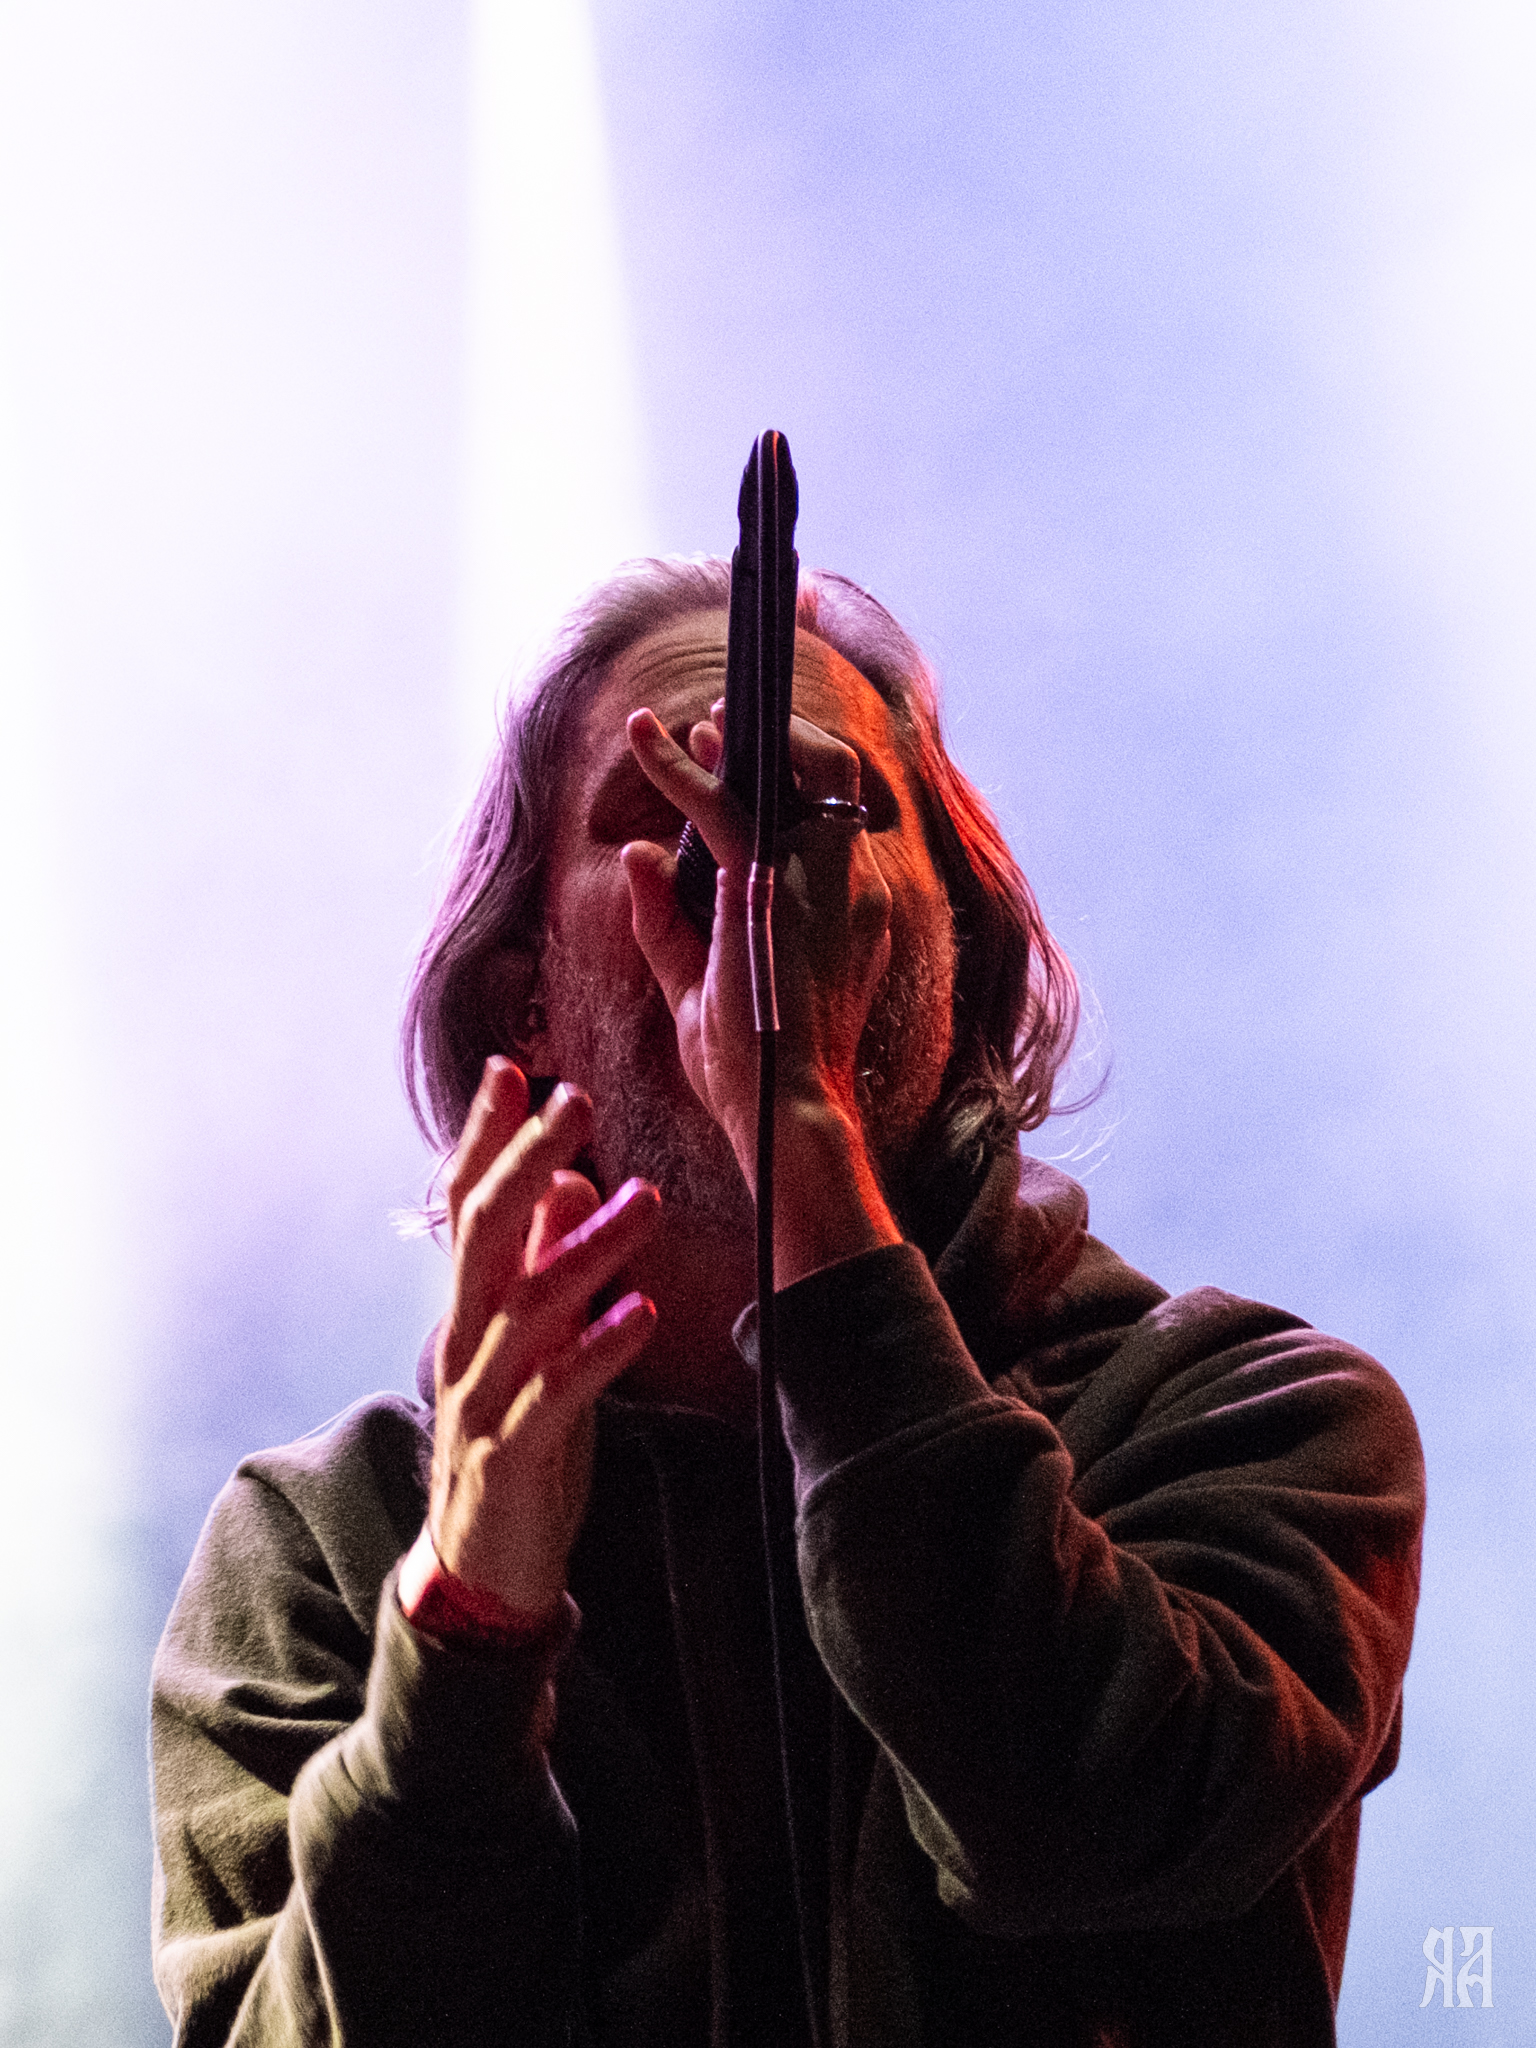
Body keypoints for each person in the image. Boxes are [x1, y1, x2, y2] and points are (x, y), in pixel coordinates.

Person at [150, 556, 1424, 2047]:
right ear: (523, 999)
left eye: (825, 808)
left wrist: (802, 1135)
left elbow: (1079, 1824)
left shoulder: (1253, 1414)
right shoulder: (326, 1539)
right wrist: (468, 1634)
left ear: (954, 948)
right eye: (661, 807)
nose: (745, 865)